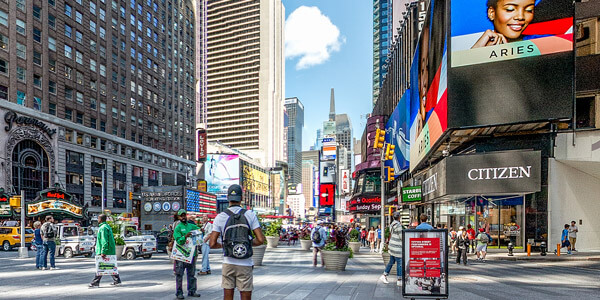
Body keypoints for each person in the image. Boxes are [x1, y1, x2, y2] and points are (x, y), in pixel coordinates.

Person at [209, 184, 265, 300]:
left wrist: (225, 245)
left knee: (228, 295)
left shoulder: (220, 217)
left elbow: (212, 243)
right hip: (245, 263)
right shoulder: (250, 214)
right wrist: (247, 244)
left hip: (228, 262)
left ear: (227, 198)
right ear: (242, 198)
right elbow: (260, 240)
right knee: (245, 294)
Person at [173, 209, 201, 299]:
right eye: (181, 216)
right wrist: (185, 236)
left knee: (191, 274)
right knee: (179, 275)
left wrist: (201, 230)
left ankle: (192, 291)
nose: (183, 217)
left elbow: (199, 231)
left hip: (191, 255)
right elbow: (178, 240)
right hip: (180, 255)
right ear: (178, 217)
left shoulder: (191, 226)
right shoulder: (178, 228)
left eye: (184, 215)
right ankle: (179, 292)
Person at [89, 214, 122, 287]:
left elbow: (104, 241)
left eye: (98, 218)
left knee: (100, 266)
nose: (98, 220)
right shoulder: (107, 227)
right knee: (110, 266)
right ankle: (117, 280)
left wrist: (103, 252)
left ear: (100, 219)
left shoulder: (102, 228)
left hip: (104, 251)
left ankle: (95, 282)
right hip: (110, 250)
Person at [380, 212, 404, 286]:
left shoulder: (392, 224)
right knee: (400, 263)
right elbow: (401, 237)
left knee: (391, 262)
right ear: (399, 217)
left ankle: (384, 275)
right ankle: (399, 280)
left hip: (392, 246)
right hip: (397, 247)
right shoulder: (399, 226)